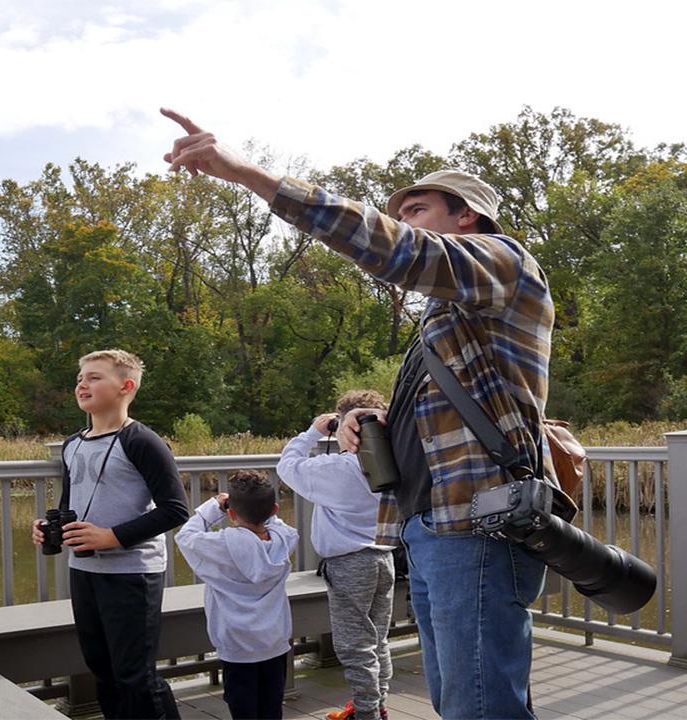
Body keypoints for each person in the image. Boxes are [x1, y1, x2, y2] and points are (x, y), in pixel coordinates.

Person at [160, 108, 554, 720]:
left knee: (481, 703)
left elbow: (396, 251)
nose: (404, 221)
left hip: (478, 524)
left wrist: (250, 176)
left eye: (417, 210)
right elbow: (448, 421)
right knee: (461, 697)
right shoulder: (444, 319)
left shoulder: (504, 262)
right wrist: (368, 426)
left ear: (465, 214)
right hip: (429, 526)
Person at [30, 349, 189, 720]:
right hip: (85, 571)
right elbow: (72, 504)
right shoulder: (73, 444)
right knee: (102, 670)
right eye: (80, 377)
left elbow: (175, 509)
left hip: (132, 573)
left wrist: (112, 537)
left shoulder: (142, 441)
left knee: (135, 675)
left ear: (126, 386)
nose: (82, 383)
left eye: (95, 377)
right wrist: (47, 527)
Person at [276, 390, 395, 720]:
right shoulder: (394, 463)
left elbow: (287, 466)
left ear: (347, 426)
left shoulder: (336, 468)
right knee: (377, 640)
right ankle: (377, 705)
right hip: (384, 558)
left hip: (349, 563)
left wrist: (314, 431)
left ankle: (367, 714)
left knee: (353, 645)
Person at [175, 469, 298, 720]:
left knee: (243, 707)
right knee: (272, 706)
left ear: (231, 513)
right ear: (275, 509)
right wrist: (265, 513)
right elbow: (278, 523)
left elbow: (185, 536)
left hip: (236, 646)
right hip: (274, 643)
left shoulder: (221, 546)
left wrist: (214, 506)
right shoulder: (284, 539)